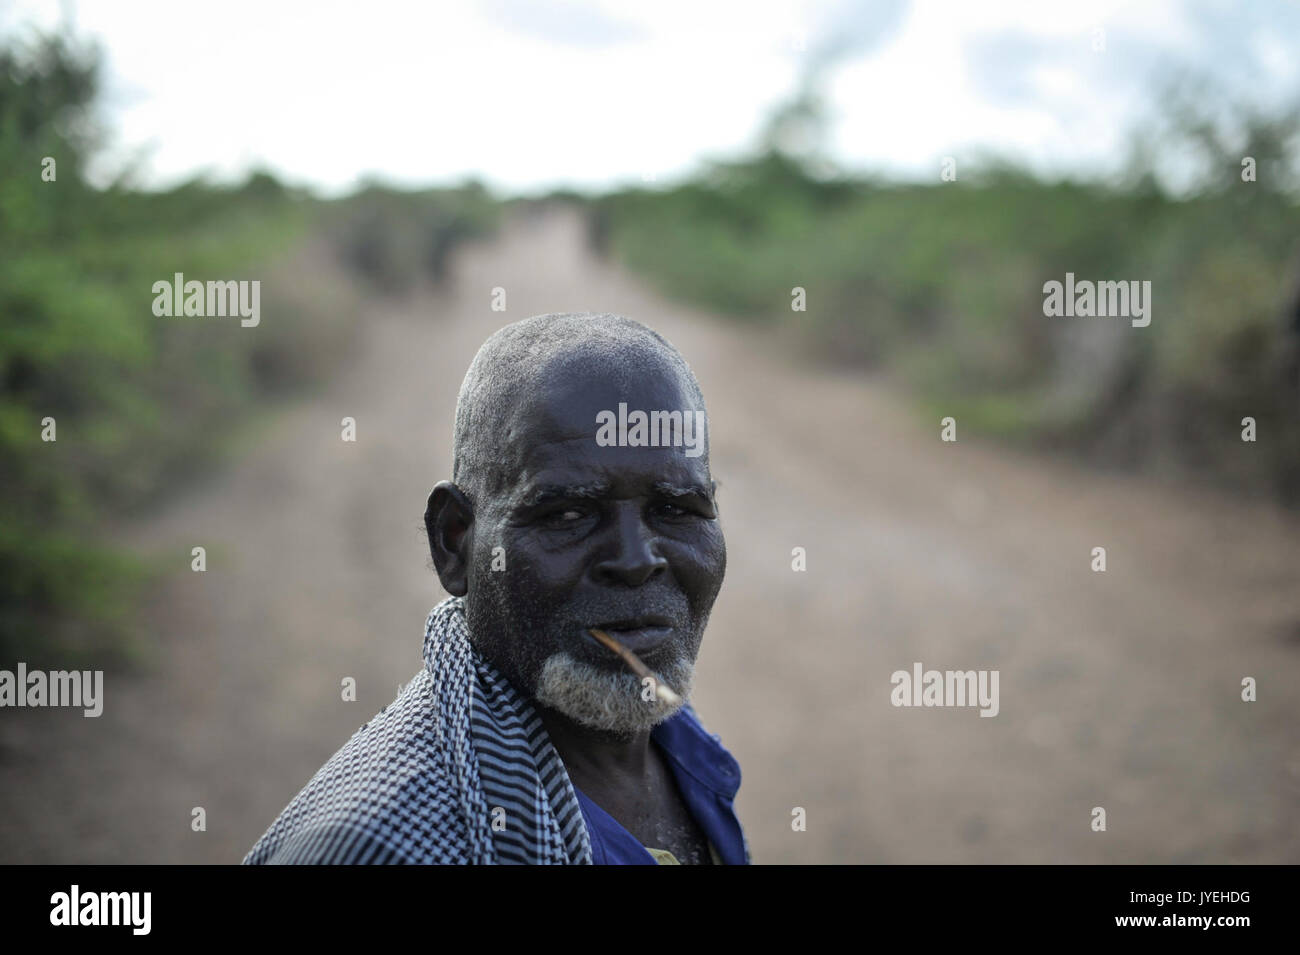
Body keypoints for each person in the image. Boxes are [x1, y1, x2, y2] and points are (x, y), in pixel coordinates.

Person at [243, 312, 748, 864]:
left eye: (676, 508)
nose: (635, 561)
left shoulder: (681, 759)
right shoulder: (378, 848)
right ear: (455, 543)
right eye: (570, 514)